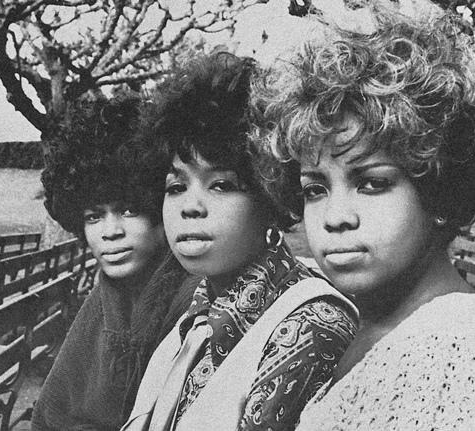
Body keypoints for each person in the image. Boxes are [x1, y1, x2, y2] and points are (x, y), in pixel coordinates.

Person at [252, 7, 475, 429]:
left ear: (441, 191)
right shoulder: (382, 320)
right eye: (315, 189)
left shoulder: (453, 353)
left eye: (371, 183)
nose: (335, 217)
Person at [120, 52, 358, 431]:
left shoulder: (311, 327)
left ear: (271, 196)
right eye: (176, 186)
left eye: (221, 185)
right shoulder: (195, 314)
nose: (190, 207)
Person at [31, 94, 197, 431]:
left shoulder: (194, 299)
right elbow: (51, 412)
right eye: (93, 216)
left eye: (129, 210)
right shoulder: (104, 298)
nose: (110, 232)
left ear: (160, 208)